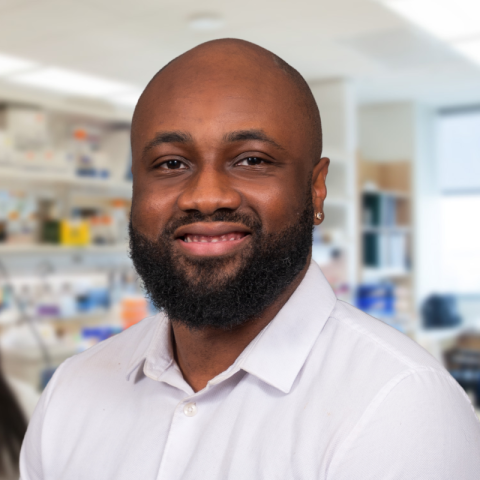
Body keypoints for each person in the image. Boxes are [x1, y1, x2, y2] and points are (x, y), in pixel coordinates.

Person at [20, 39, 480, 479]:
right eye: (171, 164)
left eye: (252, 160)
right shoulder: (71, 391)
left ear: (316, 187)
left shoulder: (398, 406)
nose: (205, 197)